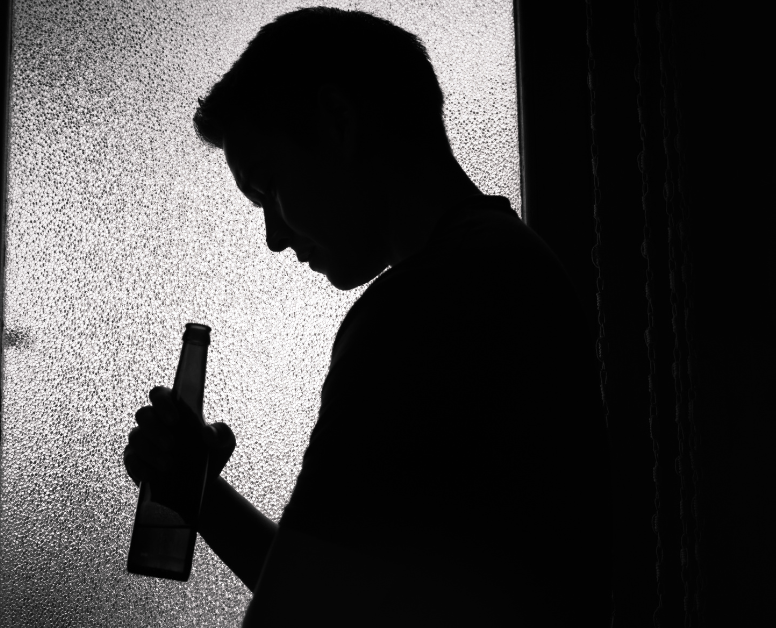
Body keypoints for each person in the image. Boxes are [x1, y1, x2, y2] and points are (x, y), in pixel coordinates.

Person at [122, 7, 611, 626]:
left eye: (269, 189)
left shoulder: (422, 307)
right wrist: (201, 494)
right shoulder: (504, 268)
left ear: (338, 122)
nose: (273, 238)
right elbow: (353, 596)